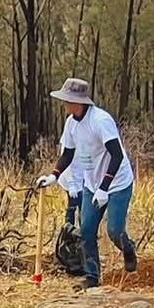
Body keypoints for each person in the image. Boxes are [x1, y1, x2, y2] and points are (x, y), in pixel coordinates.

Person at [36, 78, 135, 288]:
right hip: (91, 183)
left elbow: (116, 156)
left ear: (78, 101)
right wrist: (53, 176)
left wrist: (104, 188)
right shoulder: (71, 123)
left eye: (67, 100)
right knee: (87, 230)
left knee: (114, 230)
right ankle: (92, 277)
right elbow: (68, 154)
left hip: (117, 182)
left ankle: (127, 247)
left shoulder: (100, 121)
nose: (64, 105)